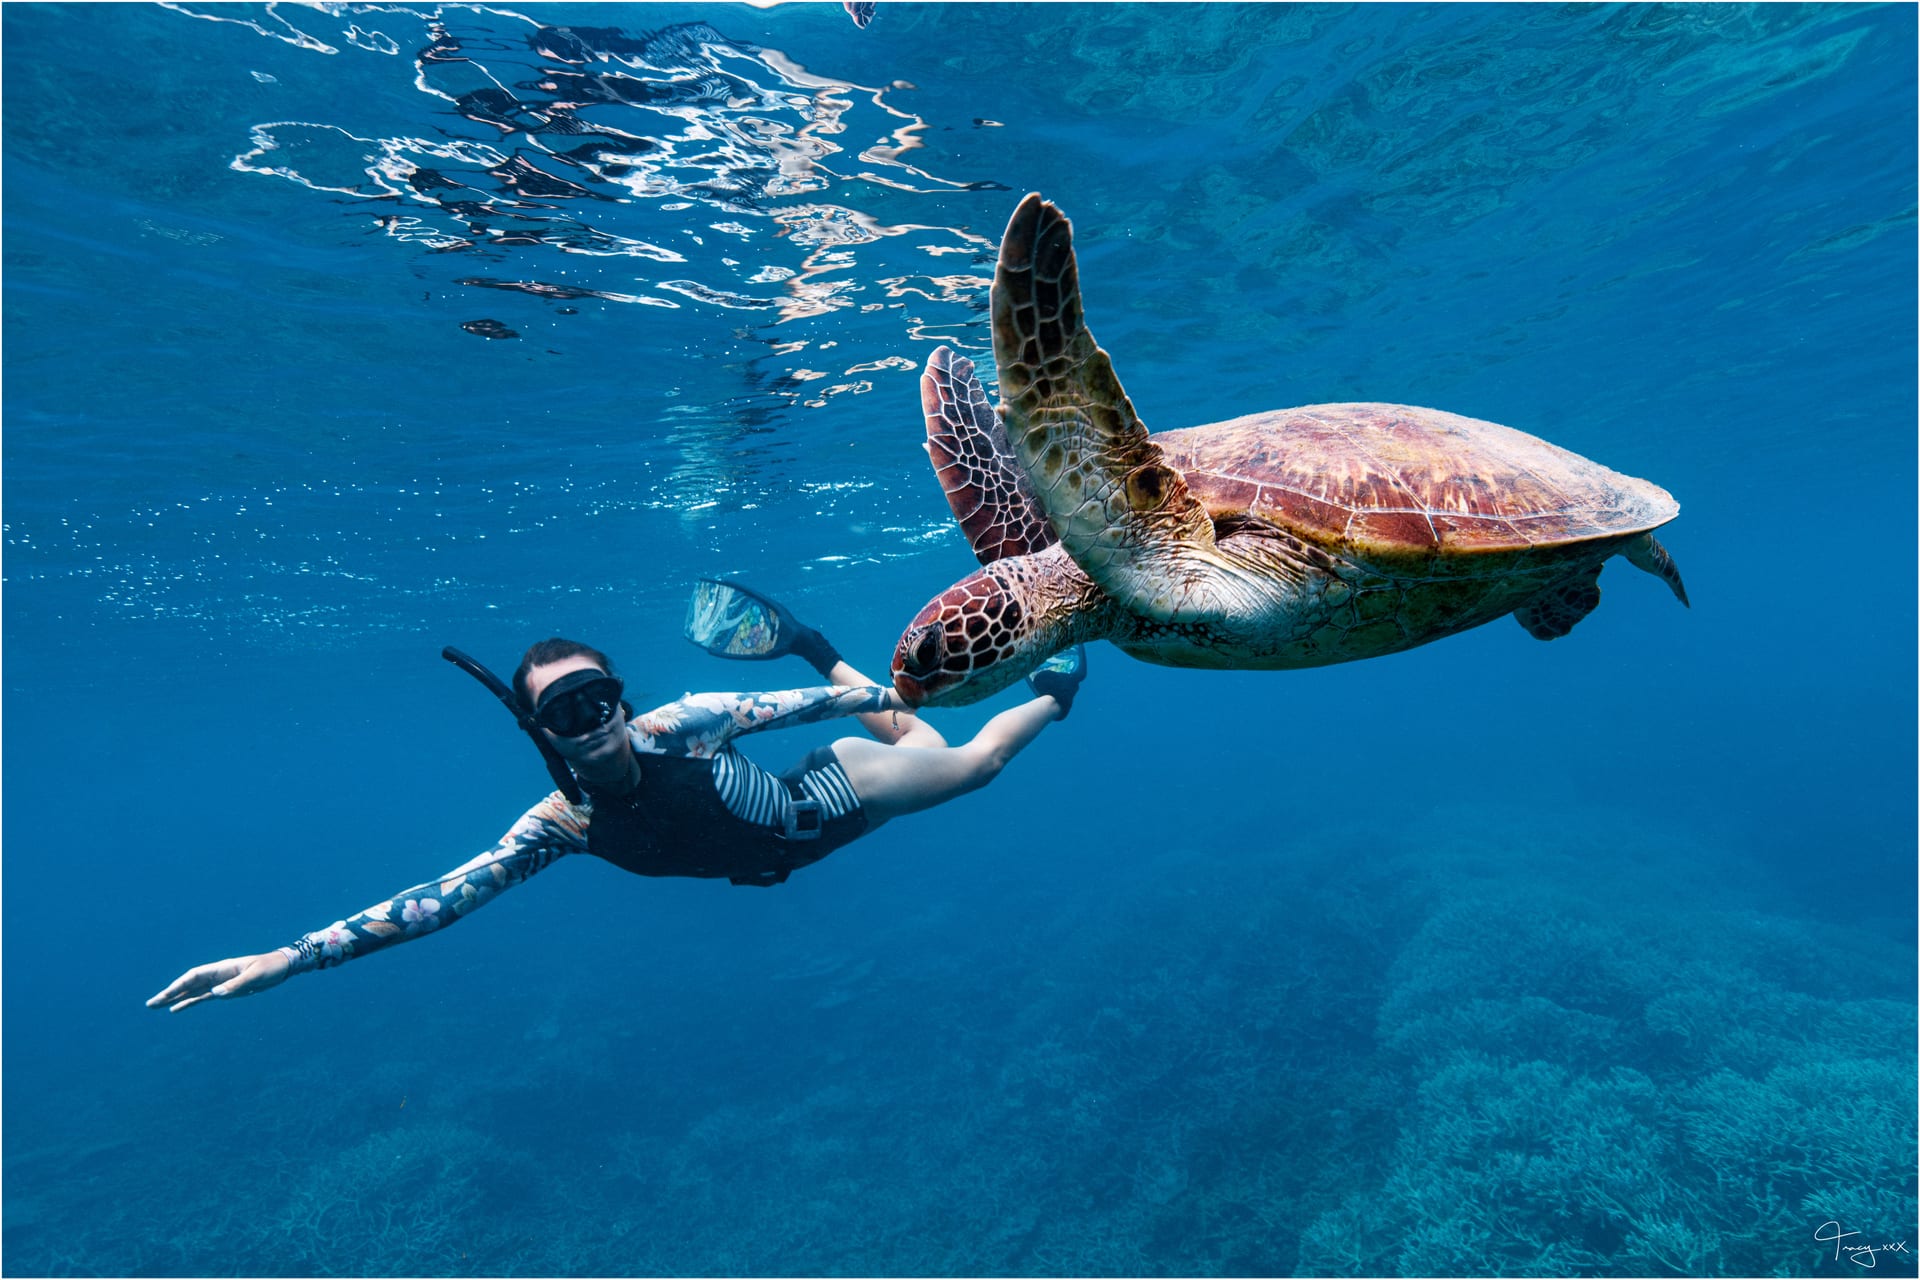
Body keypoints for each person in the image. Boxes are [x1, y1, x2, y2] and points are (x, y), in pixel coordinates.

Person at [148, 582, 1087, 1013]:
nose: (594, 718)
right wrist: (292, 956)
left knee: (963, 763)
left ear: (624, 699)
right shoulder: (558, 826)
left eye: (603, 696)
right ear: (539, 731)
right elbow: (441, 898)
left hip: (831, 799)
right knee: (909, 731)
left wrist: (938, 681)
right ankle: (814, 638)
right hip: (779, 841)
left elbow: (836, 703)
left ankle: (1053, 693)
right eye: (565, 709)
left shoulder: (684, 722)